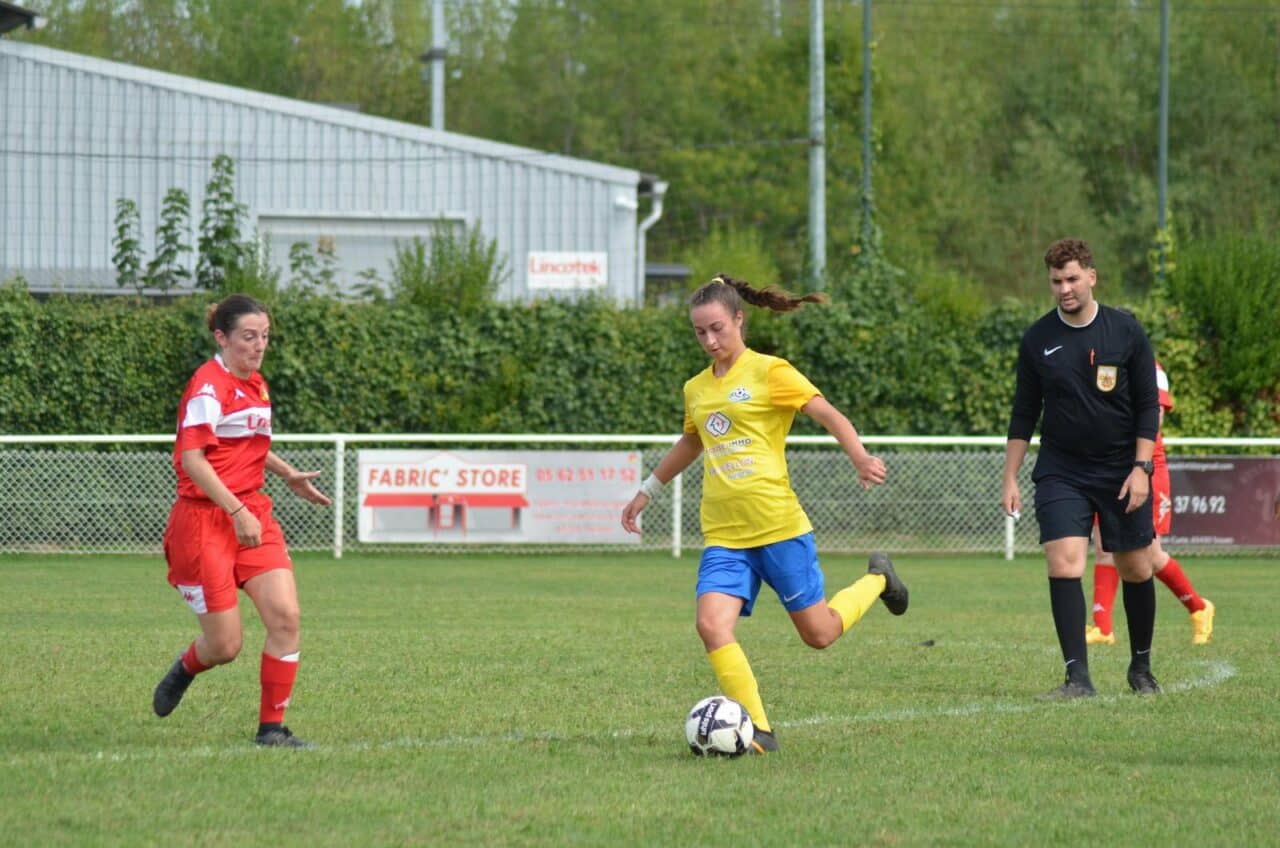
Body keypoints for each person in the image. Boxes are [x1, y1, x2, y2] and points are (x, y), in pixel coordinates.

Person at [620, 274, 908, 754]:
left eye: (717, 328)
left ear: (739, 319)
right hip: (724, 535)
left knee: (819, 635)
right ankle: (759, 729)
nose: (710, 341)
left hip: (778, 528)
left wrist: (859, 455)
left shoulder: (771, 372)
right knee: (711, 624)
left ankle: (878, 579)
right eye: (700, 333)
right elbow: (693, 440)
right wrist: (648, 488)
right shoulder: (696, 388)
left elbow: (829, 414)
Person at [152, 294, 331, 747]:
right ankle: (189, 665)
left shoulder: (255, 384)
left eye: (265, 336)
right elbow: (193, 459)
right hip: (205, 521)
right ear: (222, 337)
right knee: (225, 647)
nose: (259, 346)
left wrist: (288, 474)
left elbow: (246, 441)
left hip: (251, 512)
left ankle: (271, 729)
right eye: (249, 337)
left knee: (286, 618)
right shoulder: (207, 388)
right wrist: (234, 510)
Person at [1001, 238, 1162, 699]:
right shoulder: (1037, 339)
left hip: (1120, 470)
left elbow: (1148, 406)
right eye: (1056, 281)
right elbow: (1023, 413)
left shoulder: (1126, 331)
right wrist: (1010, 475)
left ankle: (1141, 669)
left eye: (1072, 279)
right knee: (1064, 561)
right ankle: (1078, 678)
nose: (1065, 289)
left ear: (1091, 276)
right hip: (1061, 469)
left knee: (1134, 568)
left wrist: (1140, 468)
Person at [1087, 358, 1215, 646]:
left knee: (1150, 555)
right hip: (1108, 469)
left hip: (1146, 470)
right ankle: (1103, 628)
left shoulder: (1151, 369)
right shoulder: (1100, 368)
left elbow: (1153, 420)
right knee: (1105, 547)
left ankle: (1199, 607)